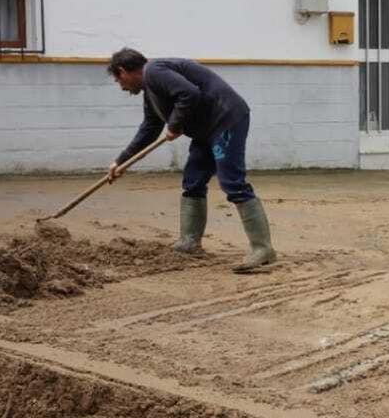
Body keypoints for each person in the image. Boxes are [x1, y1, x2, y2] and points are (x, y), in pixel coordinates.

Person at [105, 48, 276, 272]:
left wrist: (175, 124)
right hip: (206, 130)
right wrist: (121, 162)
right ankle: (190, 242)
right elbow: (149, 128)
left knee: (232, 182)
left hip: (225, 120)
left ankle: (263, 249)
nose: (122, 87)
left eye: (120, 81)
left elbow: (189, 93)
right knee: (193, 181)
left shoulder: (154, 71)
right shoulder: (151, 91)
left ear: (123, 71)